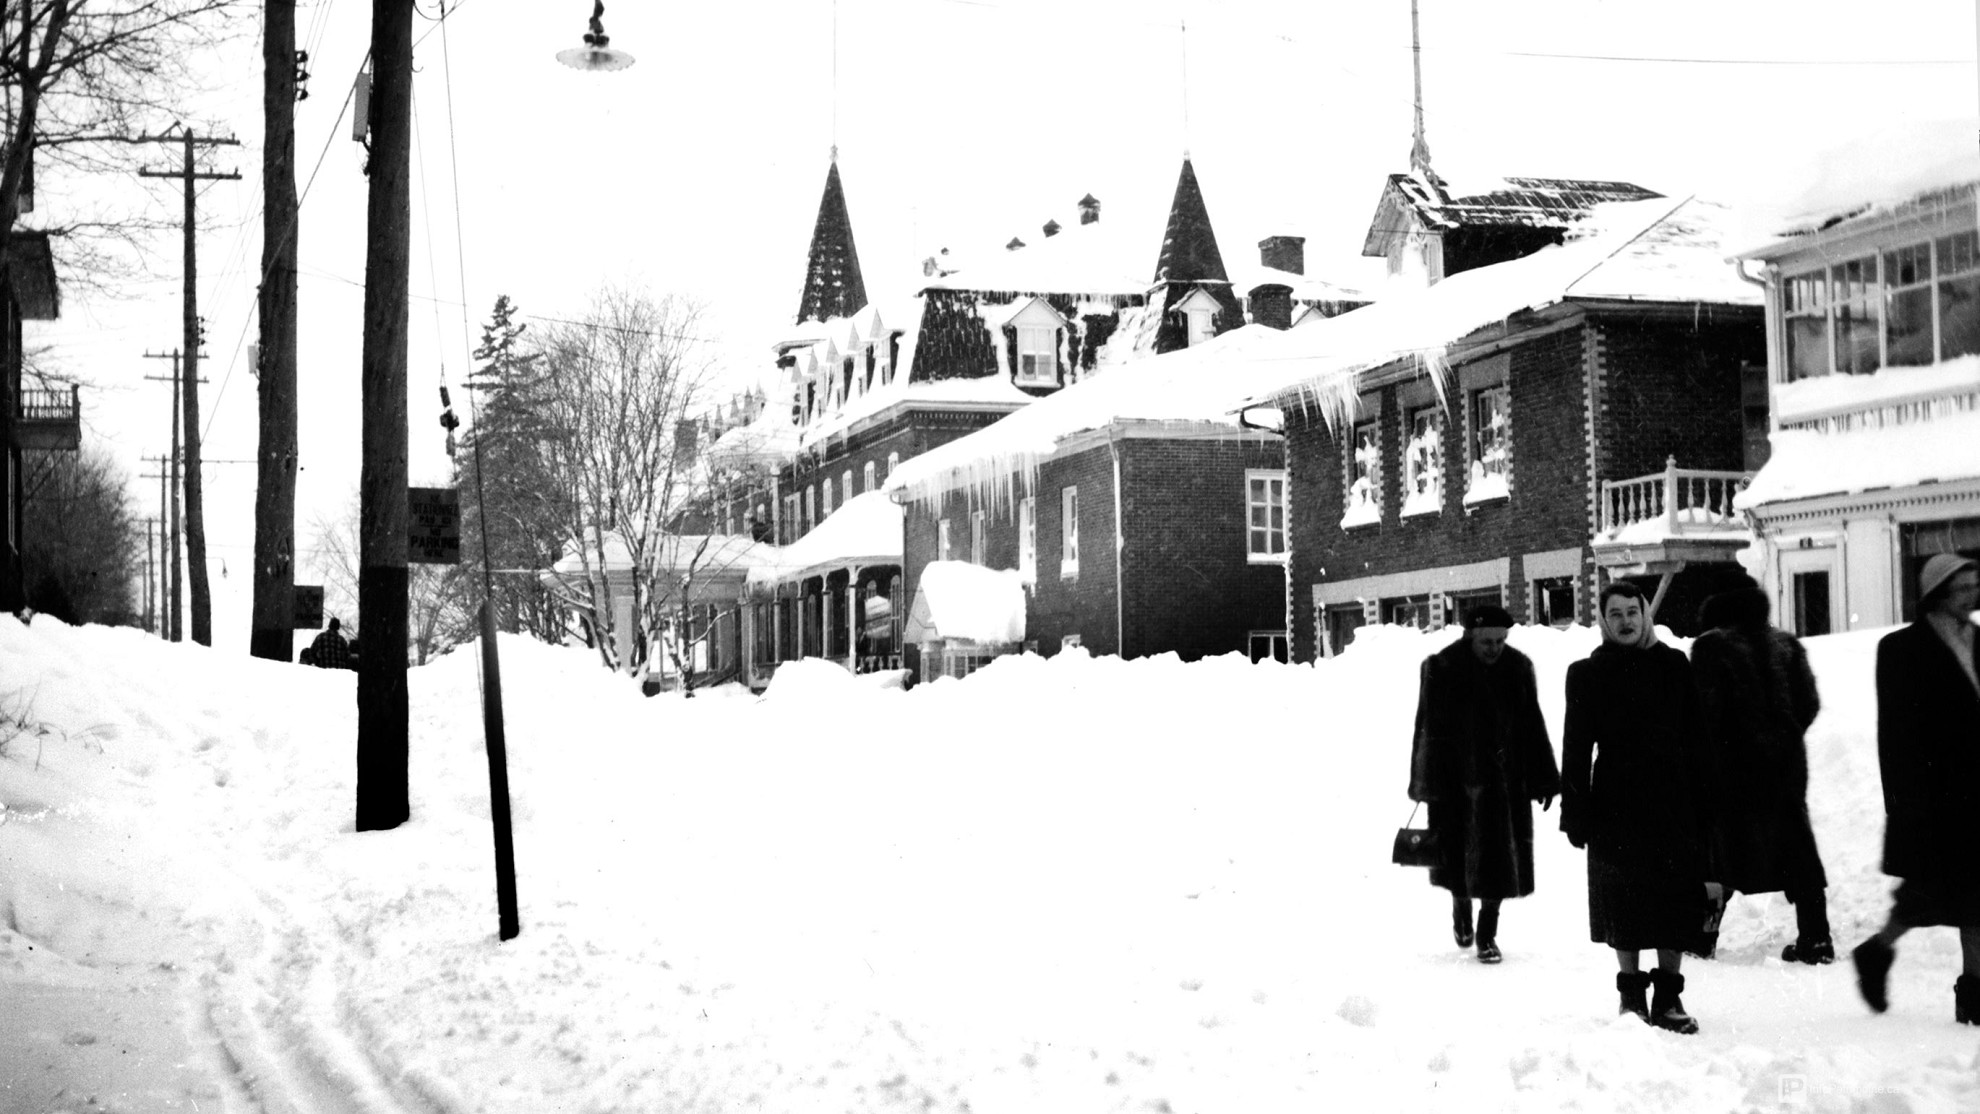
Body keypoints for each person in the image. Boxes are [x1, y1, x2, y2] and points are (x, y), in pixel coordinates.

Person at [1560, 581, 1716, 1034]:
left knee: (1673, 896)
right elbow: (1575, 749)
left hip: (1673, 799)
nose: (1626, 621)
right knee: (1622, 901)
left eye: (1633, 611)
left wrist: (1707, 801)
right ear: (1604, 622)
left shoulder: (1673, 665)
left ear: (1645, 614)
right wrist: (1576, 812)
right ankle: (1631, 996)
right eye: (1616, 614)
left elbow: (1698, 739)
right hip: (1615, 803)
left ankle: (1669, 996)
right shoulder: (1587, 674)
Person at [1853, 553, 1980, 1024]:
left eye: (1974, 584)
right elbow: (1897, 735)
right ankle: (1877, 951)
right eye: (1962, 587)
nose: (1972, 594)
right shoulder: (1902, 649)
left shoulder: (1977, 640)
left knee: (1973, 896)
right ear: (1938, 593)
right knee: (1927, 893)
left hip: (1975, 795)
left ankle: (1973, 995)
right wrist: (1906, 805)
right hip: (1935, 797)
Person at [1407, 605, 1561, 964]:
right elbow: (1426, 730)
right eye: (1487, 641)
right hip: (1454, 782)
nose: (1494, 648)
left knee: (1501, 862)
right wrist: (1425, 782)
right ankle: (1460, 907)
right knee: (1456, 856)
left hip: (1507, 783)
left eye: (1500, 641)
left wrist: (1543, 779)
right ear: (1470, 636)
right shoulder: (1442, 668)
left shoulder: (1519, 668)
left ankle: (1487, 933)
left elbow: (1532, 725)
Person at [1690, 575, 1832, 963]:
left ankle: (1701, 939)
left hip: (1729, 770)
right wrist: (1783, 736)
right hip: (1785, 768)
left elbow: (1705, 711)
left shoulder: (1709, 646)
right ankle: (1816, 937)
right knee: (1797, 849)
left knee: (1719, 855)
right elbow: (1809, 703)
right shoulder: (1786, 644)